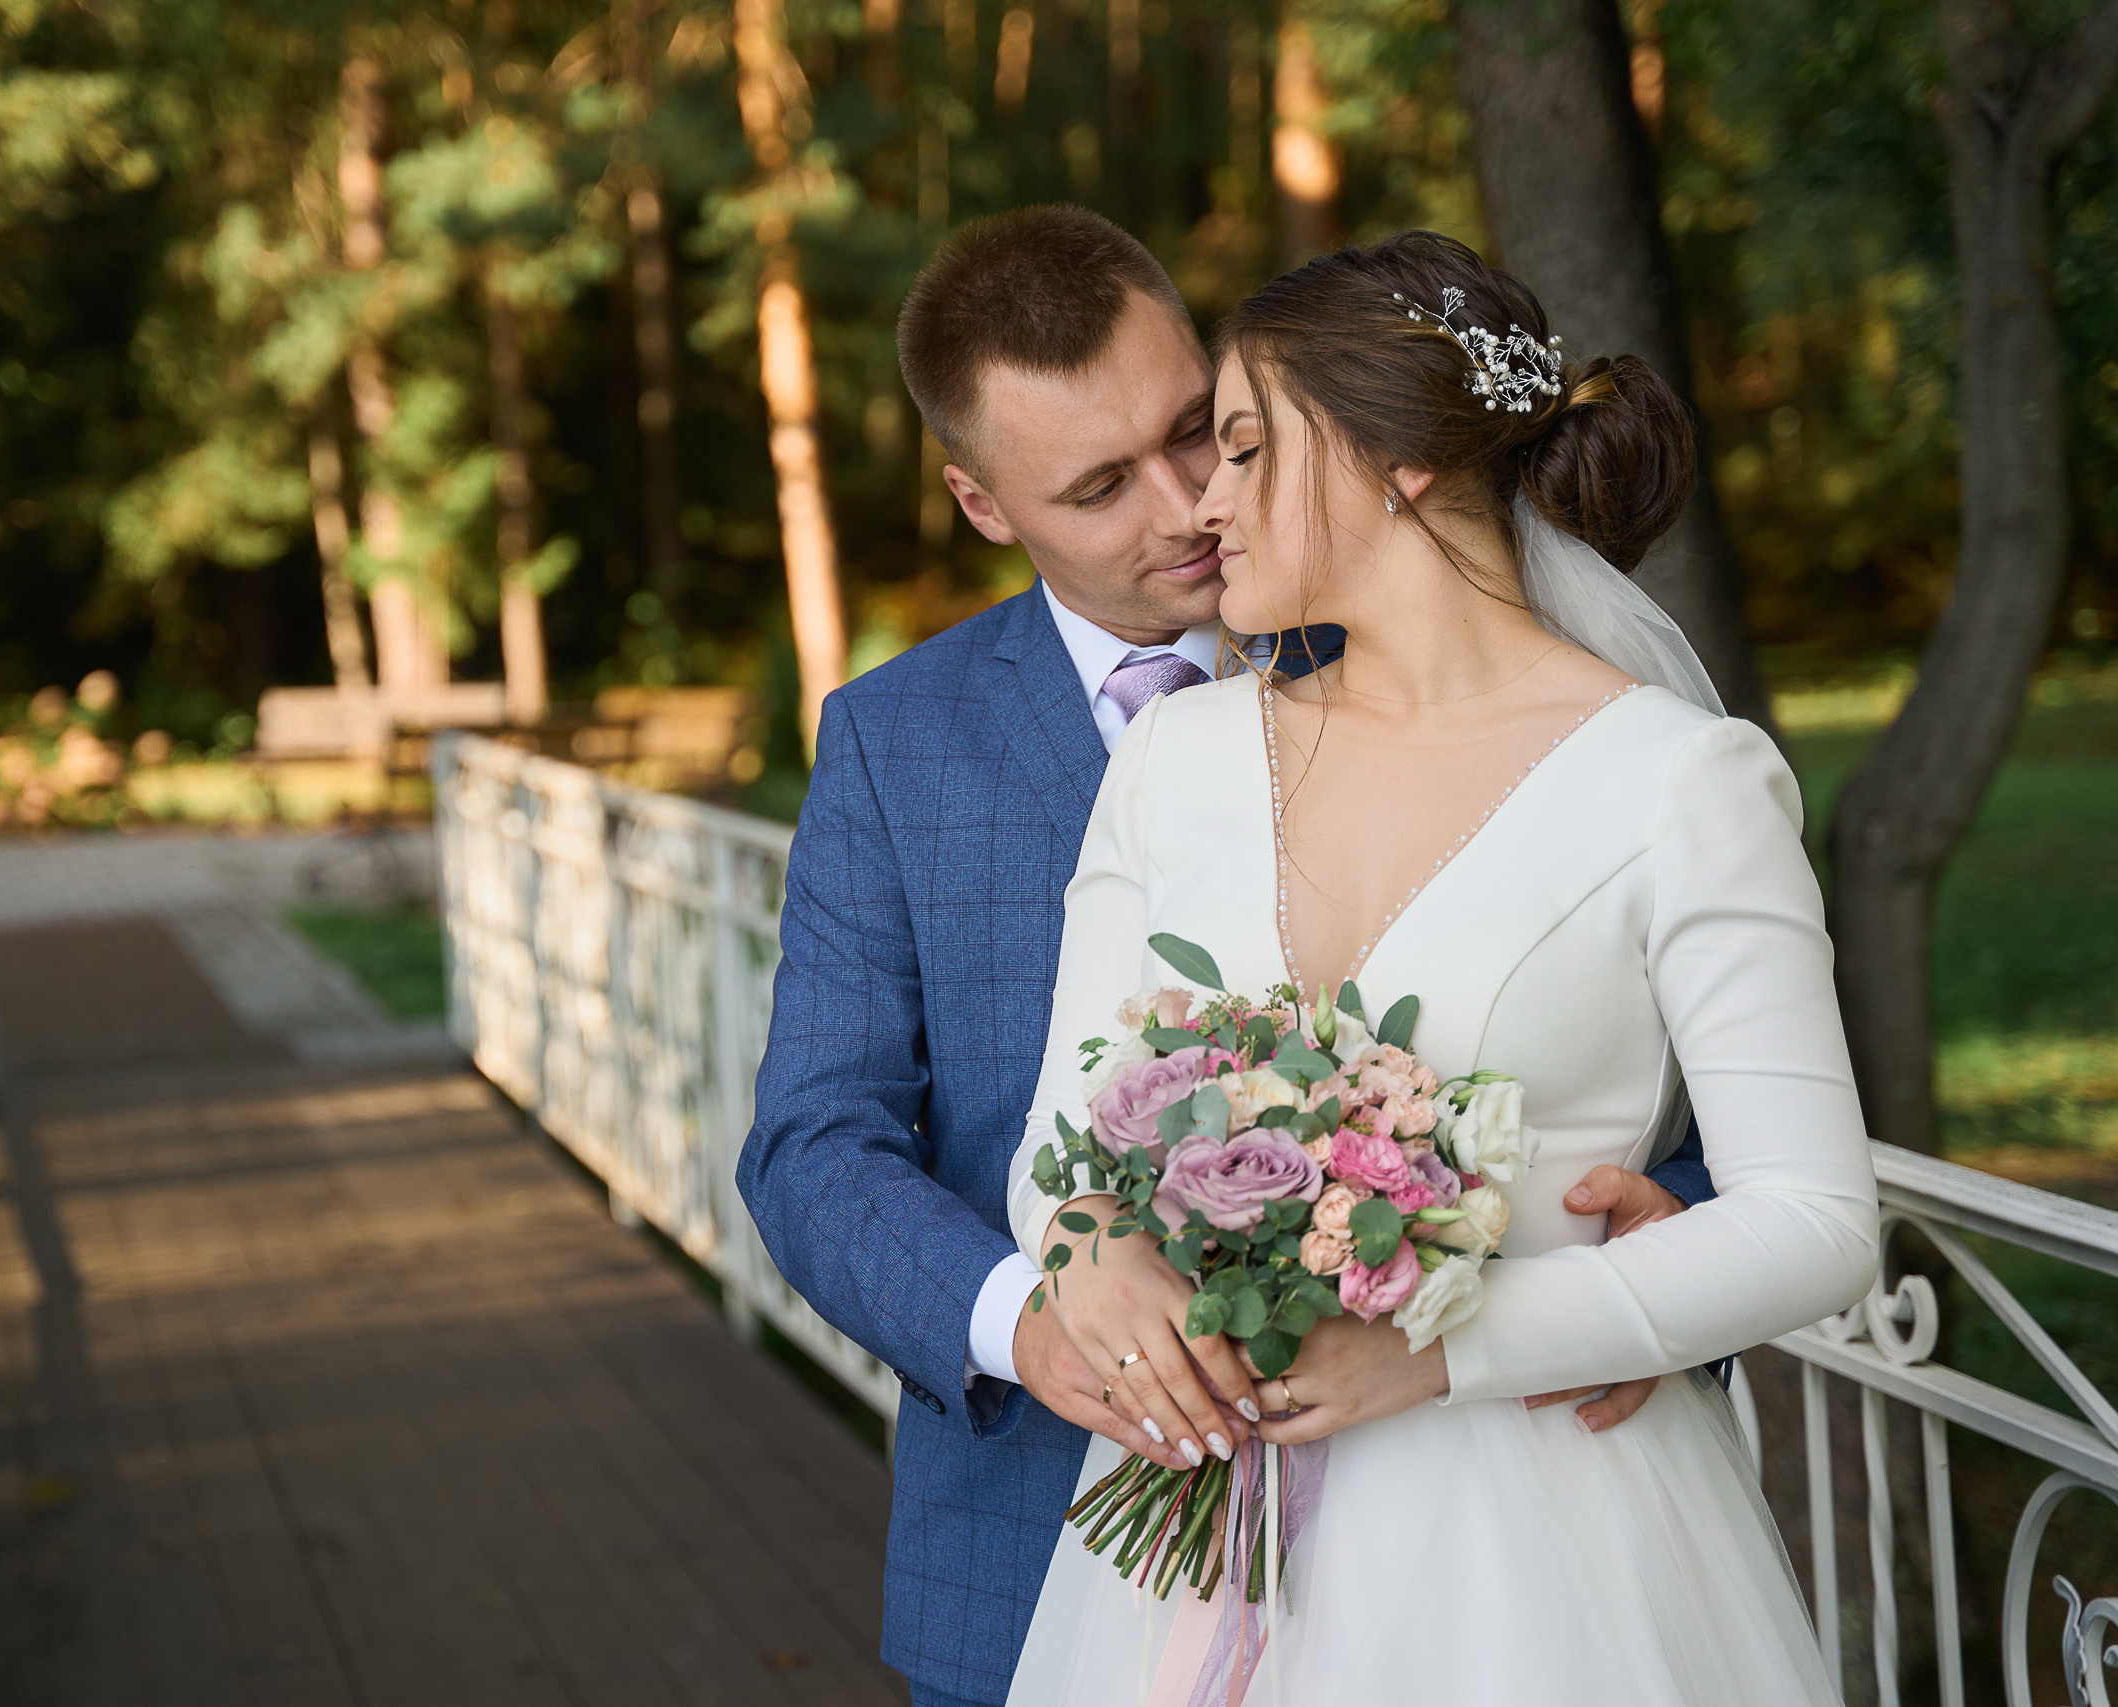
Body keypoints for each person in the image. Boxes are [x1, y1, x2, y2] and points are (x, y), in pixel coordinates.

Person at [736, 205, 1722, 1707]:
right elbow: (815, 1141)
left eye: (1200, 430)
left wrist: (1664, 1261)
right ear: (982, 501)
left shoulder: (1460, 659)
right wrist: (1029, 1320)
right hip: (1035, 1559)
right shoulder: (897, 744)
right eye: (1098, 487)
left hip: (1470, 1540)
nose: (1190, 502)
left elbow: (1697, 1101)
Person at [1002, 230, 1878, 1703]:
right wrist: (1098, 1256)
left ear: (1394, 460)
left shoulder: (1680, 786)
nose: (1203, 503)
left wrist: (1443, 1351)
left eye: (1239, 447)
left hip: (1538, 1547)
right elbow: (1057, 1149)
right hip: (1196, 1543)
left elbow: (1816, 1218)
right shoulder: (1176, 758)